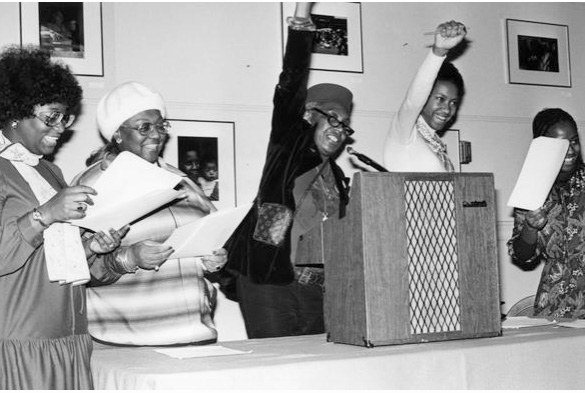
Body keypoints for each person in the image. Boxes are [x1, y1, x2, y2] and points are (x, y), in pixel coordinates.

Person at [223, 2, 352, 339]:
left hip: (318, 291)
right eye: (334, 118)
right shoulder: (288, 149)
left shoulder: (336, 178)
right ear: (311, 116)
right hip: (269, 282)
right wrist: (301, 21)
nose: (340, 129)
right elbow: (290, 85)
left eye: (346, 125)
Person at [0, 46, 126, 389]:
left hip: (69, 337)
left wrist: (93, 249)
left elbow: (54, 261)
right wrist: (45, 214)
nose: (62, 128)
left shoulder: (51, 173)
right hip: (20, 342)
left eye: (65, 118)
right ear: (14, 113)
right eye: (51, 117)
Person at [73, 81, 228, 346]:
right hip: (126, 341)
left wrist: (213, 259)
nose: (156, 134)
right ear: (117, 134)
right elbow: (71, 265)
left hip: (195, 335)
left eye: (160, 125)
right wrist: (129, 258)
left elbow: (209, 239)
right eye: (144, 126)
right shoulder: (91, 185)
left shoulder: (182, 180)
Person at [508, 108, 585, 320]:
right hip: (555, 306)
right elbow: (522, 256)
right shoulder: (531, 190)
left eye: (574, 140)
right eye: (561, 144)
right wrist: (530, 228)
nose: (571, 150)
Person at [383, 20, 467, 172]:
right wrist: (438, 52)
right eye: (440, 99)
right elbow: (413, 100)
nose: (447, 109)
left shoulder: (436, 146)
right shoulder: (404, 131)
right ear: (425, 97)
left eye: (453, 103)